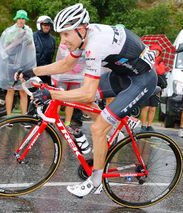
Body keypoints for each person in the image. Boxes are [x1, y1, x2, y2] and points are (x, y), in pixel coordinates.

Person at [18, 3, 157, 197]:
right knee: (83, 102)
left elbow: (88, 93)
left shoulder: (95, 45)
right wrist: (34, 71)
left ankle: (96, 181)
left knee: (97, 128)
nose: (63, 41)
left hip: (141, 80)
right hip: (122, 76)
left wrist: (52, 94)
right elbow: (67, 63)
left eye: (66, 34)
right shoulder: (84, 37)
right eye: (61, 35)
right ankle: (120, 127)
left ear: (81, 29)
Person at [0, 10, 36, 117]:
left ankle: (24, 117)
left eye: (23, 18)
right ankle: (9, 116)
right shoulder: (9, 31)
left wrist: (27, 41)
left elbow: (32, 48)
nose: (21, 20)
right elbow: (6, 48)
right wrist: (18, 40)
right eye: (19, 18)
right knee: (11, 90)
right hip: (11, 65)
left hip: (24, 65)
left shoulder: (29, 31)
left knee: (23, 91)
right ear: (16, 19)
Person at [140, 44, 167, 131]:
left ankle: (149, 125)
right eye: (154, 51)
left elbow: (161, 71)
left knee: (153, 107)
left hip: (156, 87)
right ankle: (143, 125)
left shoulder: (160, 62)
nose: (156, 53)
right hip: (146, 86)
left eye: (158, 52)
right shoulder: (145, 60)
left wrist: (154, 63)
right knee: (145, 107)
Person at [33, 15, 56, 85]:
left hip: (47, 71)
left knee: (47, 93)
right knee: (34, 93)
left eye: (49, 25)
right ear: (39, 25)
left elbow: (52, 56)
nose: (47, 26)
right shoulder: (33, 36)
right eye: (45, 24)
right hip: (34, 70)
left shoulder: (52, 39)